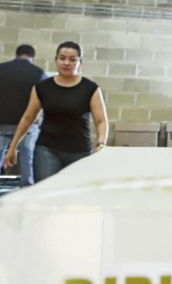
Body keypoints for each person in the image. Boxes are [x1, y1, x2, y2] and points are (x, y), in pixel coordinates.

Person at [2, 41, 108, 183]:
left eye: (72, 59)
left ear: (80, 62)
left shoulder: (91, 88)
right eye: (62, 58)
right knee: (45, 191)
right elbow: (28, 118)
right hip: (46, 150)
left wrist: (101, 143)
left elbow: (101, 120)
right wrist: (13, 146)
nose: (66, 63)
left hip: (80, 151)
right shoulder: (42, 87)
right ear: (56, 60)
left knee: (72, 193)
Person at [0, 44, 47, 186]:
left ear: (16, 54)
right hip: (27, 126)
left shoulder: (1, 68)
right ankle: (27, 188)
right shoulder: (38, 73)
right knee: (27, 158)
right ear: (32, 57)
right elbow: (45, 98)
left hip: (2, 123)